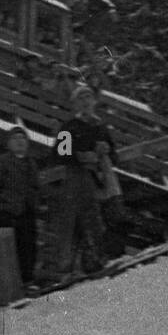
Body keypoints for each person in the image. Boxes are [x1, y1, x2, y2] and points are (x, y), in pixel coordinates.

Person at [53, 84, 116, 278]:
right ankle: (71, 267)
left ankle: (97, 259)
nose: (86, 102)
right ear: (75, 104)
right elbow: (58, 153)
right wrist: (80, 156)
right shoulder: (69, 126)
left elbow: (115, 155)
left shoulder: (101, 127)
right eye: (81, 98)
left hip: (99, 178)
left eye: (89, 97)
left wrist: (107, 150)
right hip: (77, 178)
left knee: (102, 217)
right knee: (77, 221)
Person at [0, 127, 41, 289]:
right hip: (7, 213)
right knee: (8, 249)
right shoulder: (1, 162)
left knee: (28, 248)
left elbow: (36, 186)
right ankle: (9, 285)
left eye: (23, 138)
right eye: (15, 138)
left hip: (27, 212)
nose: (19, 141)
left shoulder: (31, 163)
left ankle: (27, 282)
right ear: (9, 144)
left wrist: (35, 204)